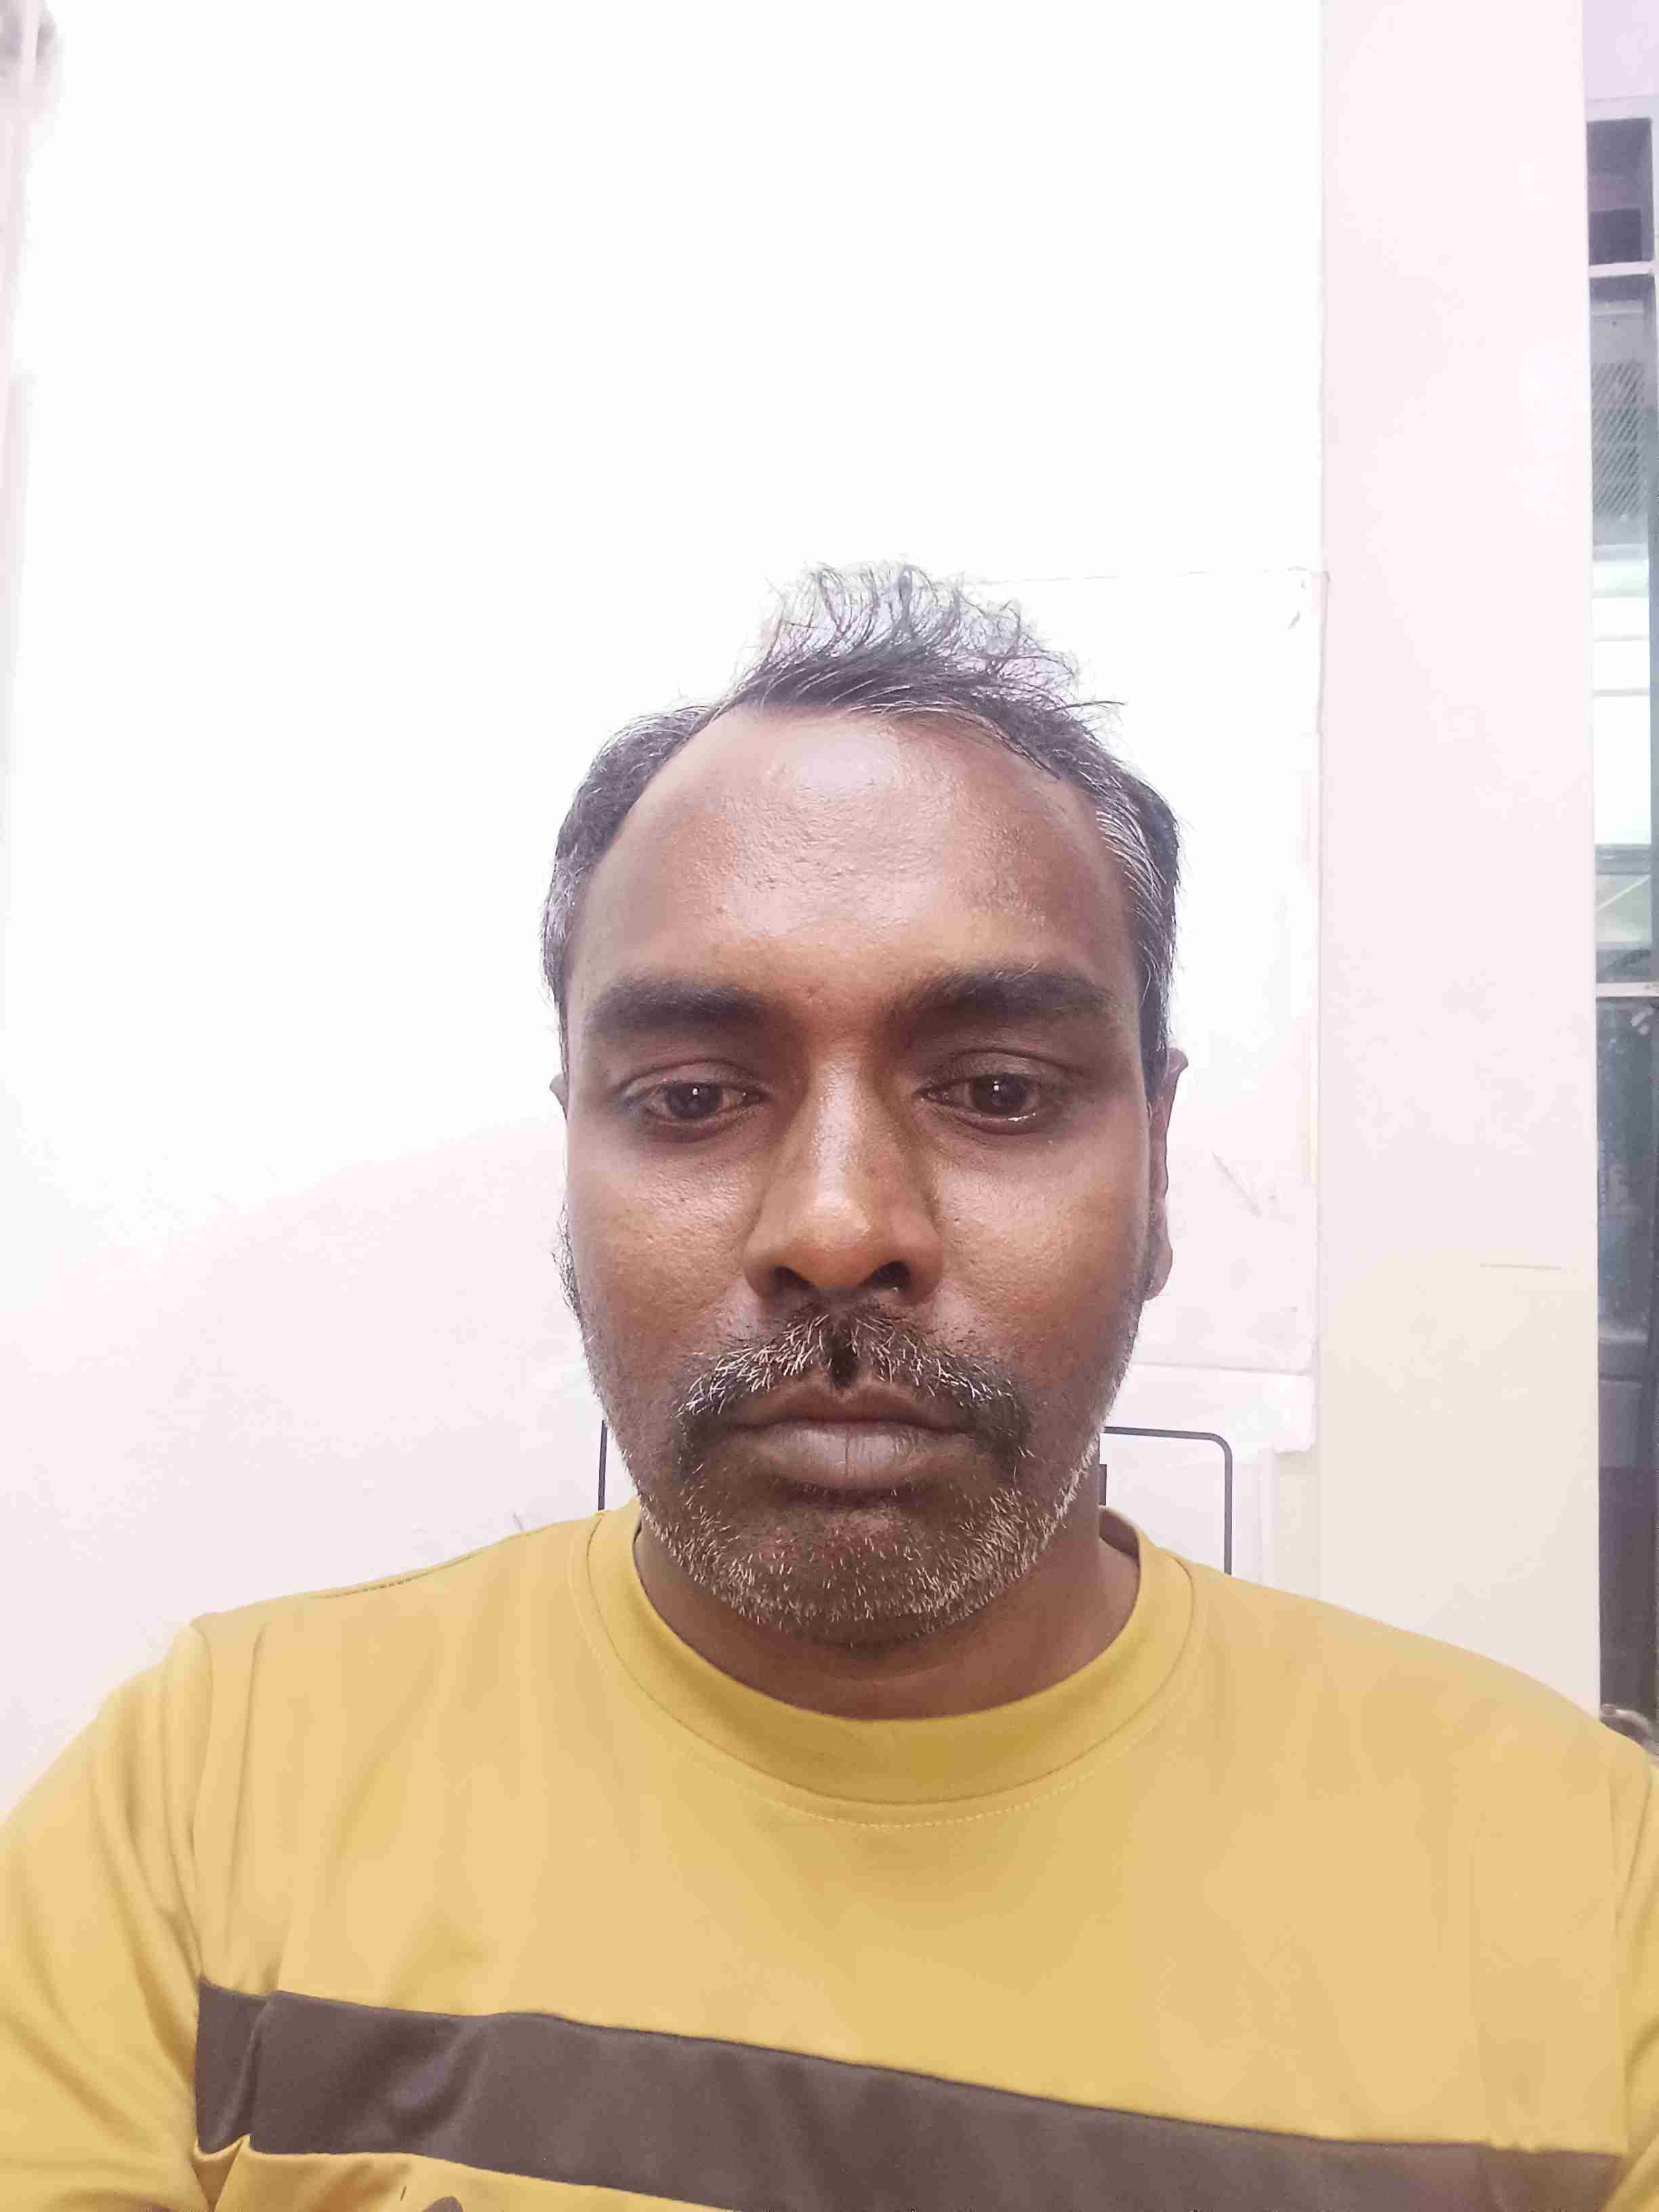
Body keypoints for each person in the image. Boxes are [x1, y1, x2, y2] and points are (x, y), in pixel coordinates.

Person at [1, 563, 1654, 2212]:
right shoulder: (205, 1807)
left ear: (1158, 1167)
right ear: (572, 1157)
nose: (840, 1227)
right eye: (693, 1097)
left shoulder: (1585, 1893)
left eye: (996, 1090)